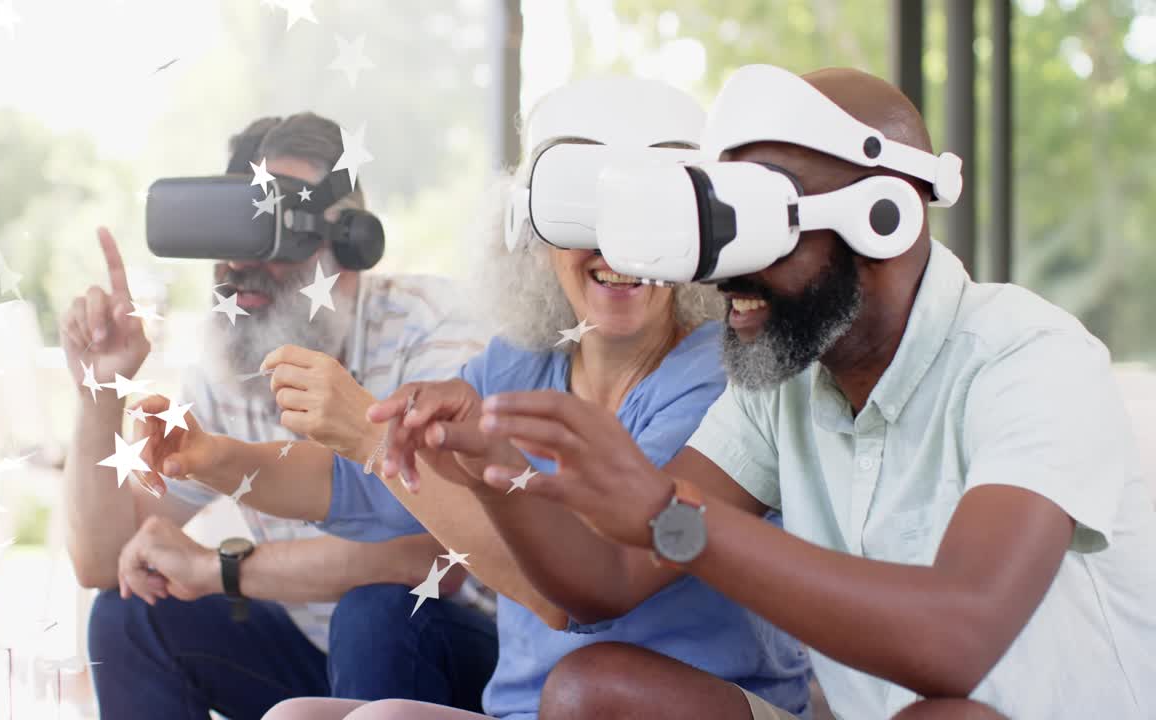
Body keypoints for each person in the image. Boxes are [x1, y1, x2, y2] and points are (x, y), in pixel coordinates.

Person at [450, 66, 1156, 719]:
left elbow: (958, 639)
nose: (725, 280)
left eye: (759, 231)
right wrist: (491, 472)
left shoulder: (1029, 359)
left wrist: (670, 514)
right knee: (589, 689)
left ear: (885, 219)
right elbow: (606, 581)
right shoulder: (781, 381)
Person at [199, 77, 810, 720]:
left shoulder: (718, 378)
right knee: (295, 716)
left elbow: (591, 583)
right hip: (530, 710)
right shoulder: (514, 364)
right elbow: (368, 487)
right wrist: (208, 456)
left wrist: (370, 437)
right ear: (534, 234)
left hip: (687, 702)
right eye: (581, 211)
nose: (617, 246)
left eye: (651, 216)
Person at [59, 112, 497, 720]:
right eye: (231, 228)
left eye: (272, 229)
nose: (242, 261)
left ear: (351, 243)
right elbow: (103, 560)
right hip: (310, 651)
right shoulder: (231, 360)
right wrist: (101, 389)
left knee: (377, 610)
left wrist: (221, 570)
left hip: (454, 649)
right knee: (131, 610)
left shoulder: (433, 329)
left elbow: (434, 557)